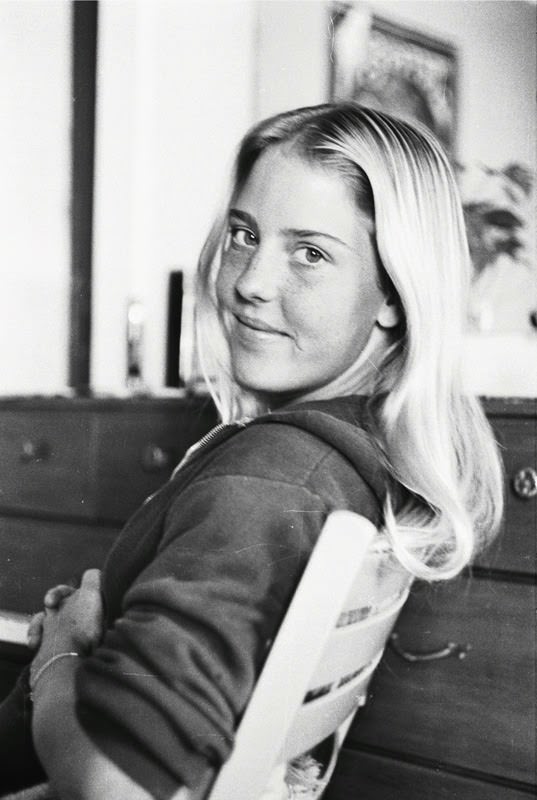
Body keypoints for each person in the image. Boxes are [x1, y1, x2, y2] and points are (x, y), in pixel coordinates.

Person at [0, 103, 503, 800]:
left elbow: (112, 786)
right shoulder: (346, 459)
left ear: (394, 292)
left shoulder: (270, 483)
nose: (249, 282)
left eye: (310, 252)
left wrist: (57, 656)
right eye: (243, 234)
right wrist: (101, 627)